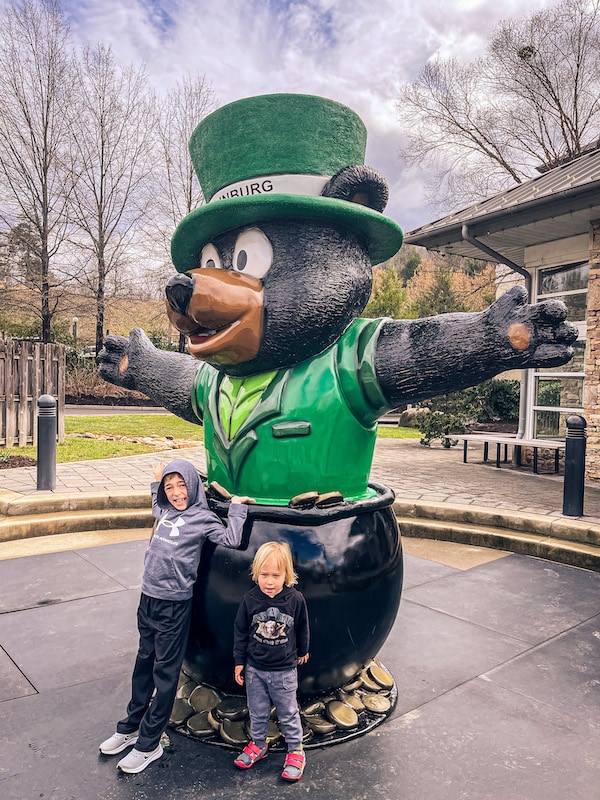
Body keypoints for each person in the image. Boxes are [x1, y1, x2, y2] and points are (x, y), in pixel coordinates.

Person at [99, 458, 253, 774]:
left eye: (181, 484)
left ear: (193, 485)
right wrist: (158, 480)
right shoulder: (165, 510)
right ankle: (131, 727)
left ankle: (149, 744)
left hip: (173, 606)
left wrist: (237, 507)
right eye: (170, 487)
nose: (176, 492)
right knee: (143, 664)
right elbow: (156, 503)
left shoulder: (203, 518)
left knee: (165, 674)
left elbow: (231, 539)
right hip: (148, 600)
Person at [233, 541, 310, 782]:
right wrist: (239, 661)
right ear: (256, 573)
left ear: (286, 575)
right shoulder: (250, 599)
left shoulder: (295, 599)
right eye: (264, 574)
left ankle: (295, 751)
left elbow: (303, 626)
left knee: (288, 713)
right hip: (255, 669)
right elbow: (240, 631)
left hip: (284, 671)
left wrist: (303, 650)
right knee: (257, 712)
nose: (269, 582)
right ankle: (259, 744)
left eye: (276, 576)